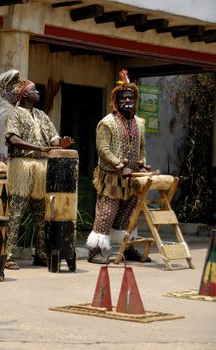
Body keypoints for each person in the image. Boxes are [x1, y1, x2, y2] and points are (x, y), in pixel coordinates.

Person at [0, 69, 74, 270]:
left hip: (41, 167)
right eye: (34, 90)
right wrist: (39, 148)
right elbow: (12, 139)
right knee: (16, 211)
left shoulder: (42, 115)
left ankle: (41, 253)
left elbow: (53, 138)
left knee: (41, 213)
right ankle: (7, 256)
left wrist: (61, 143)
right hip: (21, 167)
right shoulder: (14, 114)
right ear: (24, 94)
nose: (39, 93)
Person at [86, 69, 151, 264]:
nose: (127, 102)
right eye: (123, 99)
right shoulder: (107, 122)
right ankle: (94, 251)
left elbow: (142, 147)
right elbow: (103, 148)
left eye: (130, 98)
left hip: (132, 177)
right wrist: (117, 163)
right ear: (116, 101)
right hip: (112, 177)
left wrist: (142, 162)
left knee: (129, 215)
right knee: (106, 213)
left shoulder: (139, 123)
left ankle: (128, 249)